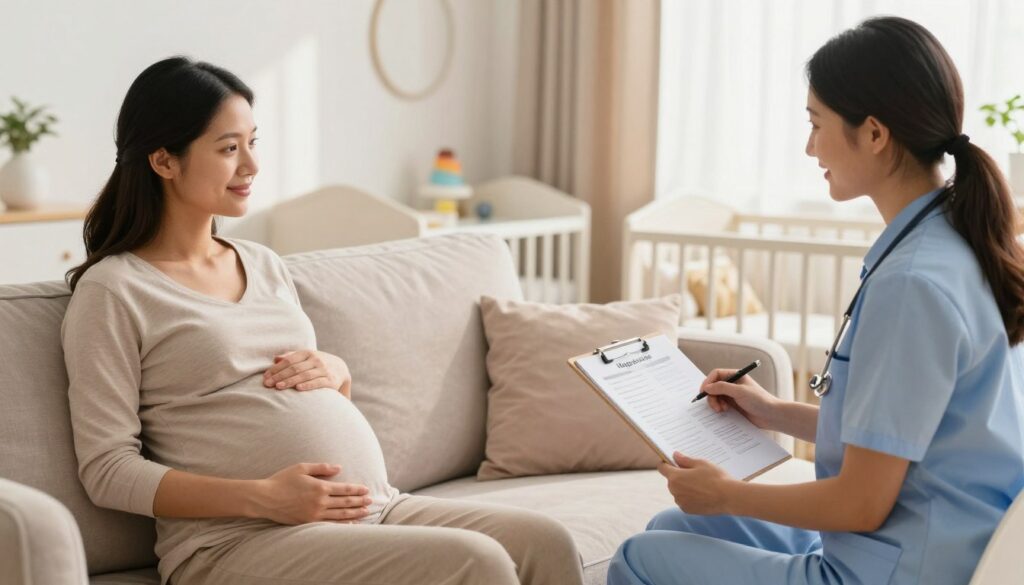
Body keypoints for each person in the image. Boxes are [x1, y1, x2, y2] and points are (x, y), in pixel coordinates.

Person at [61, 56, 584, 585]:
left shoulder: (263, 263)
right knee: (481, 562)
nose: (251, 165)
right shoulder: (115, 290)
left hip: (374, 509)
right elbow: (107, 470)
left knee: (546, 542)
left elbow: (308, 401)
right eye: (227, 148)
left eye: (252, 142)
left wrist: (337, 373)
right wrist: (263, 497)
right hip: (236, 541)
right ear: (164, 161)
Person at [608, 16, 1024, 585]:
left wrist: (727, 494)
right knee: (670, 527)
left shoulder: (912, 285)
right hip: (935, 541)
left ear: (874, 134)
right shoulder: (955, 242)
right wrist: (773, 412)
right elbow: (901, 431)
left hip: (900, 566)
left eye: (816, 123)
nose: (809, 147)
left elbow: (861, 504)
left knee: (639, 558)